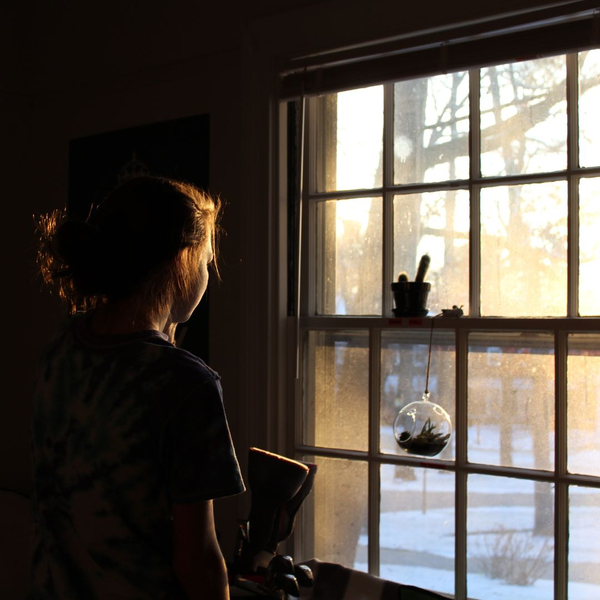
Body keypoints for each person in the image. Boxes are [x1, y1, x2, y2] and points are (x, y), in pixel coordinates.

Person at [30, 176, 245, 599]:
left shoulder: (61, 347)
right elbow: (197, 558)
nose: (206, 273)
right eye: (205, 261)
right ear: (181, 261)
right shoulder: (185, 384)